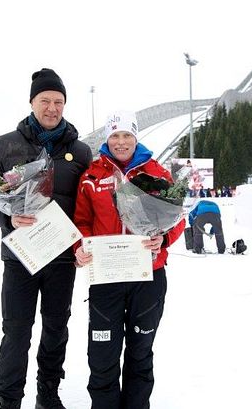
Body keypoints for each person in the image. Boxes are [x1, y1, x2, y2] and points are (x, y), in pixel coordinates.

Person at [0, 68, 91, 409]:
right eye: (45, 100)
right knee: (16, 332)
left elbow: (89, 203)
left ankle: (48, 395)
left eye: (58, 101)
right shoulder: (4, 145)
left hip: (61, 258)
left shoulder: (81, 152)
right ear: (32, 102)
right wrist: (7, 218)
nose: (52, 108)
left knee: (56, 329)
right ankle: (8, 400)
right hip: (20, 257)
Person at [73, 110, 185, 409]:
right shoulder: (92, 175)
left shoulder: (157, 173)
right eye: (115, 135)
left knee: (140, 350)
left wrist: (163, 239)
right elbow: (82, 221)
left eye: (126, 135)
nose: (121, 141)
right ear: (107, 139)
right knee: (102, 352)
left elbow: (177, 221)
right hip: (107, 276)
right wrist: (80, 247)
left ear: (136, 137)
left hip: (148, 276)